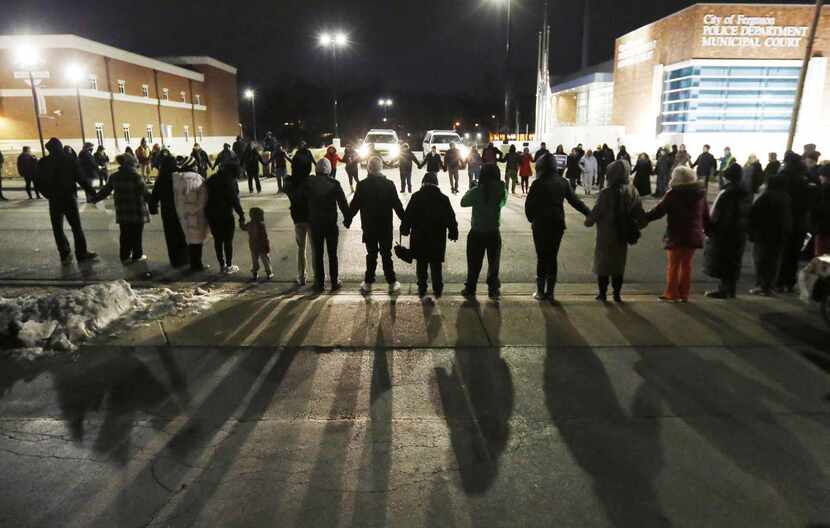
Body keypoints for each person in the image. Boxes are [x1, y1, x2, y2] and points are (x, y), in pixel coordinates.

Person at [526, 154, 592, 301]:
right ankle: (551, 292)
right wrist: (589, 213)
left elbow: (529, 206)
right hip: (557, 222)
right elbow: (575, 201)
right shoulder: (563, 182)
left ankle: (540, 292)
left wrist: (532, 219)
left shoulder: (538, 183)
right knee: (552, 256)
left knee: (542, 256)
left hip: (540, 223)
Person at [645, 166, 709, 302]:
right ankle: (684, 294)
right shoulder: (700, 194)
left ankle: (672, 293)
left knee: (674, 265)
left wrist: (643, 218)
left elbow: (659, 211)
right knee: (687, 265)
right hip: (693, 235)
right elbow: (705, 216)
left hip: (677, 234)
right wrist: (709, 231)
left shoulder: (673, 194)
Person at [585, 160, 645, 302]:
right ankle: (617, 294)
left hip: (606, 234)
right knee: (618, 264)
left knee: (603, 264)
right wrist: (638, 225)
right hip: (622, 234)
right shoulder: (632, 191)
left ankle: (602, 294)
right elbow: (639, 213)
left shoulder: (606, 193)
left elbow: (596, 211)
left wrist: (589, 221)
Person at [35, 138, 98, 263]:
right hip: (69, 197)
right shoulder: (69, 159)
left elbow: (38, 181)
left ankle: (64, 254)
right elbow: (80, 178)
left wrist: (47, 194)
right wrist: (93, 193)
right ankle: (81, 253)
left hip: (54, 199)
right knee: (76, 226)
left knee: (57, 227)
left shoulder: (43, 162)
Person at [349, 156, 405, 294]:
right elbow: (397, 205)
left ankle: (368, 282)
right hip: (385, 226)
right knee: (386, 254)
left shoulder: (362, 185)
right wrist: (405, 221)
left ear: (369, 168)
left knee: (371, 254)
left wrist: (347, 219)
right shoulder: (389, 184)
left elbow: (355, 205)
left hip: (369, 226)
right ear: (381, 168)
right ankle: (392, 282)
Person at [401, 172, 458, 298]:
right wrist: (453, 232)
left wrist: (404, 229)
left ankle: (422, 287)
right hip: (437, 238)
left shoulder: (416, 197)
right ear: (436, 184)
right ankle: (437, 288)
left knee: (421, 264)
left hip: (419, 237)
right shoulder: (443, 198)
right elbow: (450, 218)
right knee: (436, 264)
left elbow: (408, 215)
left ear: (423, 183)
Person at [90, 154, 150, 264]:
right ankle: (137, 255)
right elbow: (145, 193)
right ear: (131, 163)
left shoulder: (114, 176)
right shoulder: (136, 176)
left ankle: (124, 256)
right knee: (136, 234)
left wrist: (94, 199)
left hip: (123, 210)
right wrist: (155, 201)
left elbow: (105, 191)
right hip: (136, 210)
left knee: (125, 234)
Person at [702, 163, 750, 299]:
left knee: (723, 260)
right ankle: (731, 289)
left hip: (723, 232)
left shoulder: (725, 193)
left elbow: (715, 213)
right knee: (734, 260)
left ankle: (723, 290)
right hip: (740, 231)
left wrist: (709, 227)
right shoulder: (746, 193)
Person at [461, 164, 506, 299]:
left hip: (477, 232)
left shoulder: (477, 190)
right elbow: (503, 203)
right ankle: (493, 289)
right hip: (493, 231)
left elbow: (463, 202)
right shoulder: (501, 189)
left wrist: (472, 188)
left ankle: (471, 288)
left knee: (474, 263)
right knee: (494, 263)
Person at [306, 158, 351, 291]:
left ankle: (319, 283)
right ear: (329, 169)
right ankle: (334, 282)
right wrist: (347, 219)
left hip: (315, 223)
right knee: (332, 254)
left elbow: (301, 199)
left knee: (318, 254)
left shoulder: (309, 183)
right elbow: (343, 203)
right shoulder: (334, 183)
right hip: (330, 224)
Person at [749, 173, 792, 295]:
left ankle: (761, 286)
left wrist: (751, 230)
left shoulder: (766, 196)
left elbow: (754, 213)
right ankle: (770, 286)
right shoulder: (786, 197)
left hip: (764, 234)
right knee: (774, 262)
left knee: (761, 261)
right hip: (780, 234)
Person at [776, 151, 812, 292]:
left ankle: (779, 282)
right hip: (801, 221)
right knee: (794, 254)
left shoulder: (784, 177)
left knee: (782, 252)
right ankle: (789, 282)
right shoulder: (806, 177)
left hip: (786, 220)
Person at [206, 160, 245, 274]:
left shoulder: (211, 179)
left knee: (218, 241)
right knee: (228, 241)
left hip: (212, 214)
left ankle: (221, 265)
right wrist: (241, 215)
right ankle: (228, 265)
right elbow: (234, 200)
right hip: (225, 214)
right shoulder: (229, 182)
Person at [150, 153, 189, 268]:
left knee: (171, 236)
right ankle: (185, 258)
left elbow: (154, 196)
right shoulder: (179, 176)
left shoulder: (161, 178)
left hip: (167, 211)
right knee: (182, 234)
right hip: (181, 209)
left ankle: (175, 260)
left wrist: (153, 208)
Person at [172, 156, 209, 272]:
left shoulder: (177, 178)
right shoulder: (198, 179)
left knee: (189, 239)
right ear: (193, 166)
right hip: (197, 214)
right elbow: (203, 199)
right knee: (197, 242)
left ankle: (192, 262)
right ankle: (197, 265)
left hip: (183, 214)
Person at [285, 151, 312, 286]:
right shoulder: (310, 181)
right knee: (316, 248)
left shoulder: (289, 181)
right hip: (312, 216)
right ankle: (319, 276)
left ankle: (302, 276)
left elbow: (289, 195)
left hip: (297, 217)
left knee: (301, 248)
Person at [241, 207, 272, 280]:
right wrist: (267, 245)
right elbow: (265, 237)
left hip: (253, 246)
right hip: (261, 246)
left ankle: (255, 272)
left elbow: (243, 228)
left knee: (255, 261)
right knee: (265, 260)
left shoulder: (250, 224)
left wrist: (241, 221)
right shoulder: (261, 225)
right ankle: (269, 272)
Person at [812, 164, 830, 256]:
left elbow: (820, 208)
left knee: (820, 254)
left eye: (821, 175)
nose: (819, 177)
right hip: (824, 227)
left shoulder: (823, 190)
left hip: (823, 227)